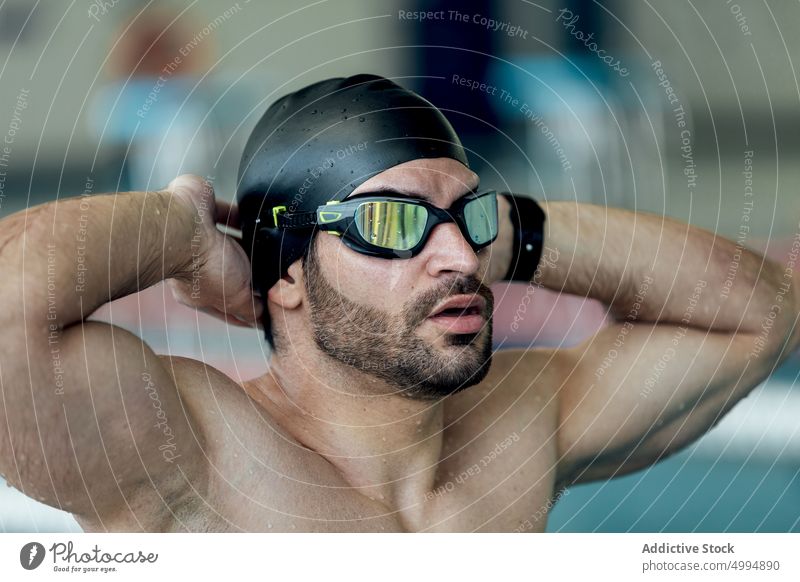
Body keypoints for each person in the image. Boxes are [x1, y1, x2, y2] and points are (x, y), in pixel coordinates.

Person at [0, 75, 796, 532]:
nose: (458, 259)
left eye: (468, 218)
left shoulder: (517, 432)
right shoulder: (189, 453)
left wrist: (513, 230)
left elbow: (760, 311)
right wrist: (180, 230)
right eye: (392, 221)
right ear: (288, 275)